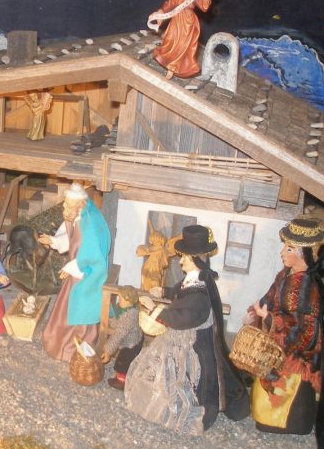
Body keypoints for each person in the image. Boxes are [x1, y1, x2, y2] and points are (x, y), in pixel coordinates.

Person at [125, 225, 249, 435]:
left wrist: (154, 309)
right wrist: (165, 291)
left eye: (185, 258)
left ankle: (177, 407)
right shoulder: (194, 278)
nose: (181, 261)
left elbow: (183, 318)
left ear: (196, 260)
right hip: (181, 334)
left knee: (185, 375)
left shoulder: (200, 292)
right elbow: (181, 291)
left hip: (193, 342)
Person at [247, 218, 324, 449]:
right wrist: (259, 310)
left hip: (294, 350)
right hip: (278, 342)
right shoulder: (287, 274)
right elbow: (273, 294)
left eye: (289, 249)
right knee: (265, 382)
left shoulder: (305, 286)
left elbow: (302, 327)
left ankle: (287, 422)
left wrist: (269, 319)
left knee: (286, 388)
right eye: (285, 247)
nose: (282, 253)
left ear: (304, 254)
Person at [39, 183, 111, 362]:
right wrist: (53, 240)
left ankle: (72, 347)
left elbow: (93, 255)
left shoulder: (90, 223)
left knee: (79, 309)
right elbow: (72, 238)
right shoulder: (80, 216)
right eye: (65, 203)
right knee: (66, 305)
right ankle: (59, 341)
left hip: (87, 275)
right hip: (77, 270)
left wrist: (72, 267)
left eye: (68, 205)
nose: (64, 207)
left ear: (80, 204)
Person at [147, 0, 210, 79]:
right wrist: (158, 13)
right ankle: (167, 60)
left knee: (182, 45)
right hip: (176, 21)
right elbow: (167, 6)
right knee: (170, 40)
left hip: (188, 23)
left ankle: (172, 67)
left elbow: (204, 7)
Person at [100, 285, 144, 391]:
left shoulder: (130, 315)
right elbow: (119, 324)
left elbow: (119, 335)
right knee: (124, 361)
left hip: (131, 345)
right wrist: (110, 320)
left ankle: (121, 381)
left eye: (121, 298)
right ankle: (123, 377)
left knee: (123, 363)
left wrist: (107, 351)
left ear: (128, 299)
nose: (119, 300)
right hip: (131, 340)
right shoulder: (126, 310)